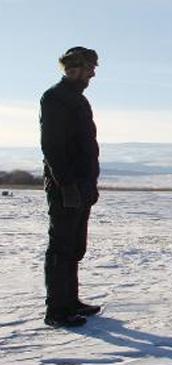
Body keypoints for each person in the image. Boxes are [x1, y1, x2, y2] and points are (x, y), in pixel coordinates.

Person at [40, 47, 102, 327]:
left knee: (76, 246)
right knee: (61, 247)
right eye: (90, 67)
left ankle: (70, 301)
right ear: (75, 68)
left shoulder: (78, 99)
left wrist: (90, 183)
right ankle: (56, 310)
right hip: (66, 185)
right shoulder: (55, 98)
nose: (93, 73)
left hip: (82, 184)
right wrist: (66, 184)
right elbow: (52, 146)